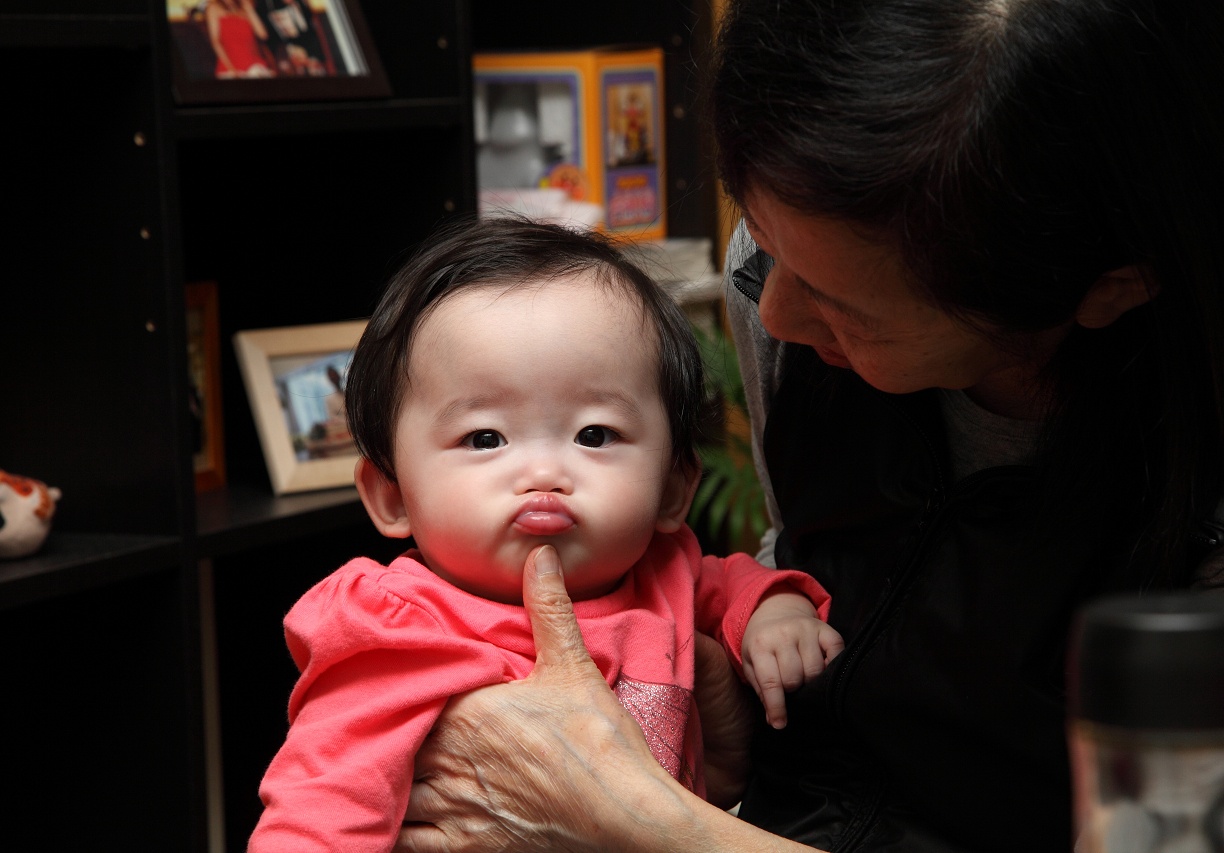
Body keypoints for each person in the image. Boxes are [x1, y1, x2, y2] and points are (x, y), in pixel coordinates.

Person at [387, 1, 1224, 852]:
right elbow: (815, 568)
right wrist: (720, 709)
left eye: (846, 308)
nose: (773, 312)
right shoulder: (788, 267)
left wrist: (638, 819)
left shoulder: (1195, 481)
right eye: (763, 240)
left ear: (1108, 287)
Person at [246, 218, 843, 852]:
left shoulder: (669, 572)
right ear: (392, 496)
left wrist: (776, 614)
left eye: (594, 435)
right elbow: (318, 810)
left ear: (673, 489)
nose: (543, 471)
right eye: (485, 438)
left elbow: (739, 584)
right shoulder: (395, 632)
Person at [205, 0, 273, 79]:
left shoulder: (244, 7)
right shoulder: (213, 8)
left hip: (254, 66)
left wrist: (248, 7)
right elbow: (215, 42)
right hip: (230, 68)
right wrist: (233, 71)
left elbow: (263, 35)